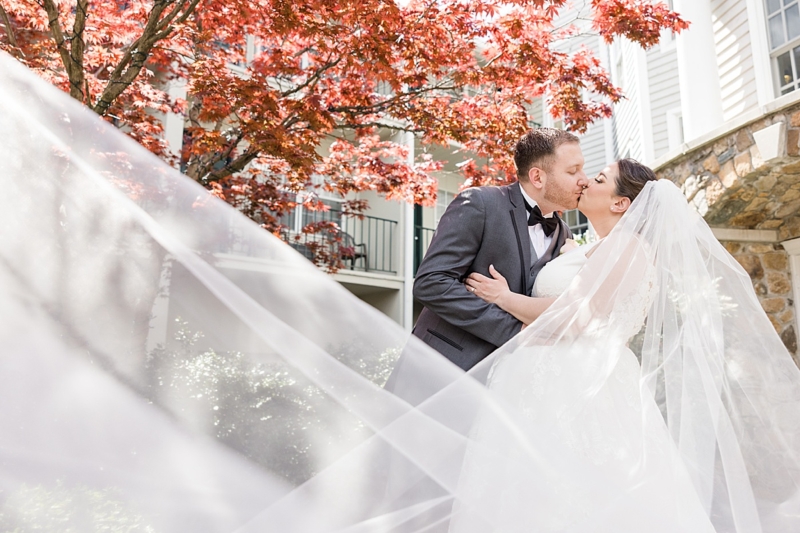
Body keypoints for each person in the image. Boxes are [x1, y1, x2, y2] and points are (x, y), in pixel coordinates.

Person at [407, 128, 588, 372]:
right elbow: (431, 282)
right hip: (443, 368)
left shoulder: (563, 233)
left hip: (513, 380)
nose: (584, 179)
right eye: (572, 171)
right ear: (537, 177)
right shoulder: (480, 203)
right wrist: (514, 331)